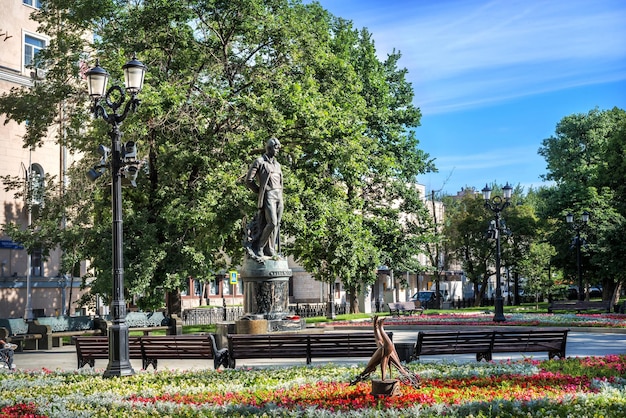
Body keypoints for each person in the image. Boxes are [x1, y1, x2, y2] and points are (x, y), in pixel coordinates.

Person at [245, 137, 284, 258]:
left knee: (277, 224)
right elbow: (248, 180)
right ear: (270, 147)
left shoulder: (277, 164)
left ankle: (270, 249)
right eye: (275, 148)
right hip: (269, 195)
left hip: (279, 195)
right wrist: (259, 191)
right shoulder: (260, 161)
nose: (277, 151)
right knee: (271, 223)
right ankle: (260, 247)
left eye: (278, 149)